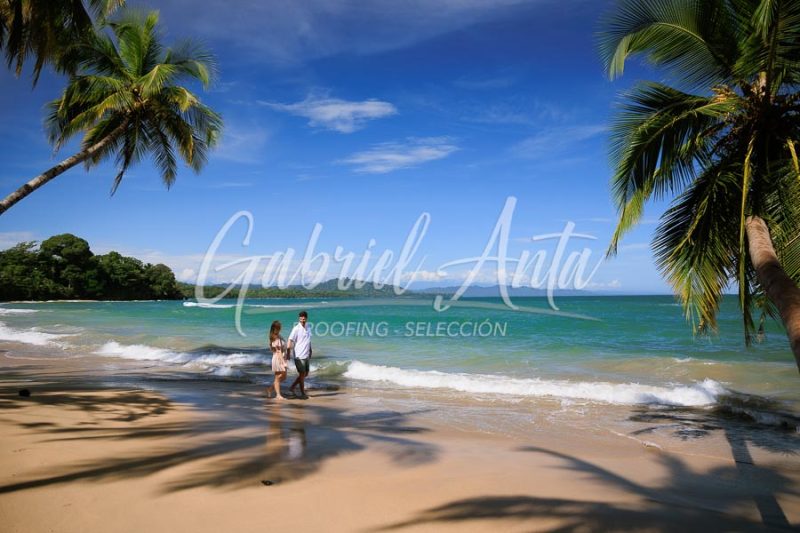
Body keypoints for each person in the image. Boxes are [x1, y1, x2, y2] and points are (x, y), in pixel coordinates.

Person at [287, 310, 312, 398]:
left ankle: (292, 387)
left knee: (306, 374)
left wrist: (310, 350)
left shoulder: (308, 327)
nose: (303, 319)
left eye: (304, 317)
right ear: (299, 318)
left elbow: (309, 340)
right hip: (299, 355)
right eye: (301, 317)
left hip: (306, 354)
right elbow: (290, 340)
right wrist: (288, 353)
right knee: (302, 374)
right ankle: (303, 393)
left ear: (306, 318)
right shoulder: (296, 328)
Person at [266, 320, 288, 400]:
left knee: (283, 377)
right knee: (279, 377)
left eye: (279, 328)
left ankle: (270, 389)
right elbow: (278, 352)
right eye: (277, 328)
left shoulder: (279, 336)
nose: (279, 329)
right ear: (274, 328)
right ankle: (278, 395)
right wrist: (283, 362)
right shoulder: (275, 338)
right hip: (278, 358)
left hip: (281, 357)